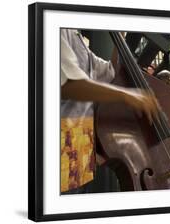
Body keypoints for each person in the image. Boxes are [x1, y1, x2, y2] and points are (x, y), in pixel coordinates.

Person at [60, 29, 159, 193]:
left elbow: (110, 70)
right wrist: (127, 96)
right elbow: (68, 84)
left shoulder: (77, 40)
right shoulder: (57, 29)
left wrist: (120, 35)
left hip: (79, 151)